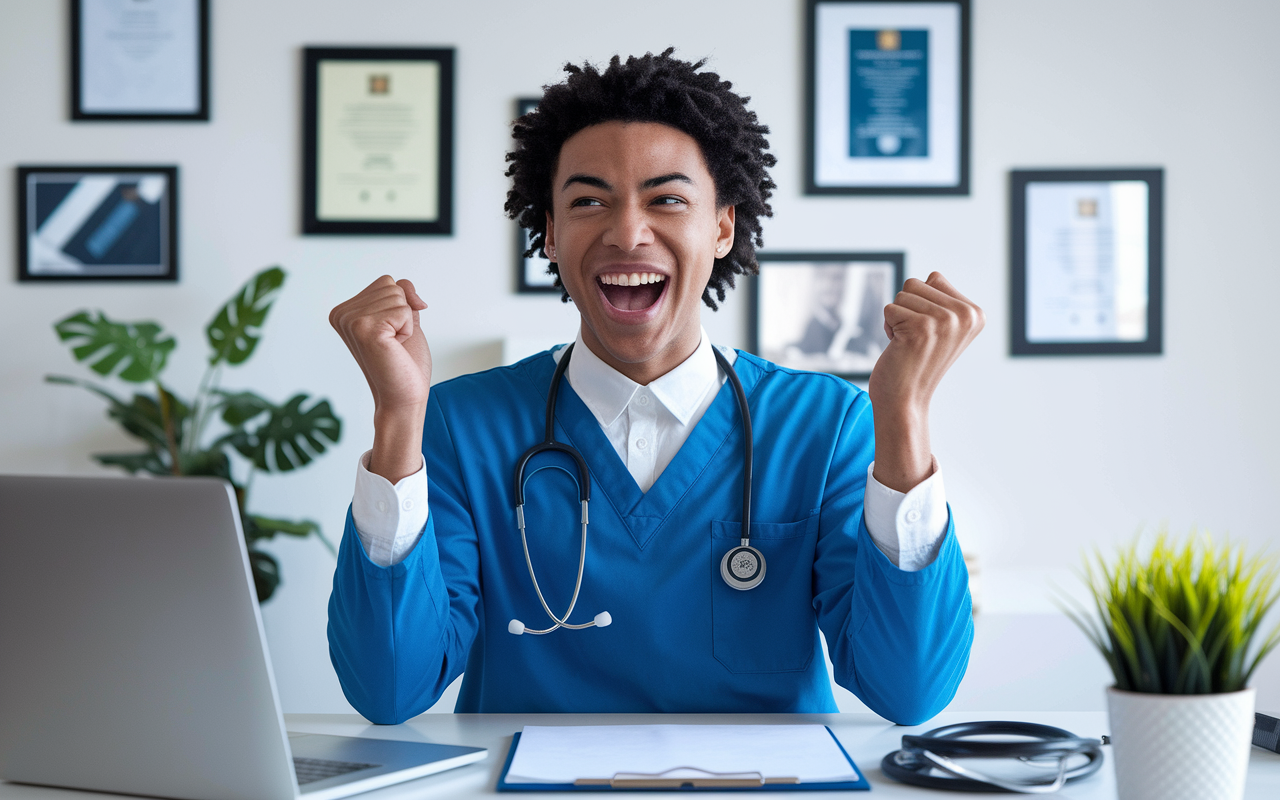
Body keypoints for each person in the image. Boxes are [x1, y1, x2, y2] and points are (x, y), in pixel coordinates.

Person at [327, 50, 984, 725]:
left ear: (723, 226)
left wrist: (903, 414)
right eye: (588, 201)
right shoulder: (463, 424)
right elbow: (389, 690)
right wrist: (397, 417)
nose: (626, 232)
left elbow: (908, 692)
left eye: (667, 198)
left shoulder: (827, 424)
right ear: (549, 232)